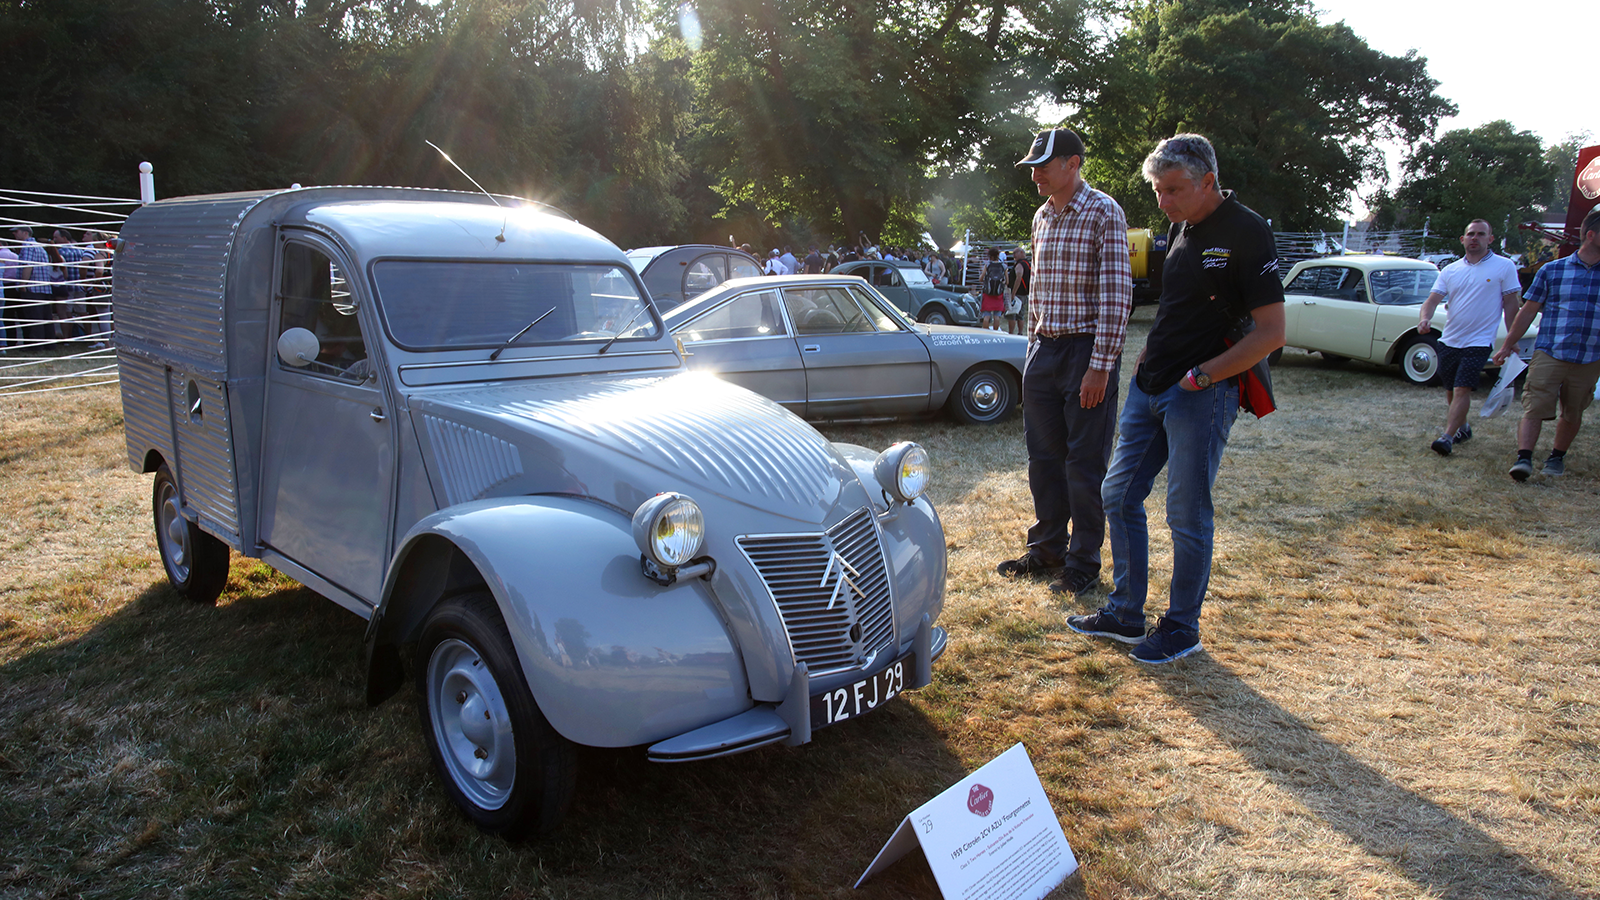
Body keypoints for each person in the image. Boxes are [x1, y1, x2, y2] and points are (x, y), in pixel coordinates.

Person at [1066, 133, 1284, 664]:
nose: (1164, 202)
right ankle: (1125, 613)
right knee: (1117, 494)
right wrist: (1146, 360)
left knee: (1186, 512)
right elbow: (1177, 304)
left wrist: (1203, 378)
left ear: (1208, 180)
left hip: (1200, 394)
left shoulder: (1248, 231)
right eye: (1158, 191)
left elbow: (1271, 333)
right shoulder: (1180, 223)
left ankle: (1182, 627)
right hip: (1152, 385)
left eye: (1173, 190)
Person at [995, 128, 1133, 596]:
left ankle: (1083, 560)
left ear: (1073, 164)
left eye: (1044, 165)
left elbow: (1118, 295)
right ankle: (1048, 548)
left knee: (1084, 462)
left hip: (1085, 351)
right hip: (1046, 350)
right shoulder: (1041, 216)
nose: (1035, 173)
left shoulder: (1104, 212)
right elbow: (1038, 291)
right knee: (1044, 460)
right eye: (1033, 165)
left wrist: (1100, 365)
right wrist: (1033, 344)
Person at [1491, 206, 1600, 481]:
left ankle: (1556, 458)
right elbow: (1528, 311)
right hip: (1550, 351)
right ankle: (1524, 459)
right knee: (1535, 406)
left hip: (1590, 356)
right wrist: (1508, 344)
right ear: (1591, 235)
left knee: (1573, 412)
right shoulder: (1552, 270)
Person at [1417, 220, 1521, 456]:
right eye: (1470, 234)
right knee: (1451, 389)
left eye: (1481, 234)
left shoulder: (1503, 267)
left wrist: (1512, 338)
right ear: (1463, 239)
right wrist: (1425, 318)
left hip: (1479, 341)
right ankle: (1462, 427)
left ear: (1490, 239)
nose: (1475, 238)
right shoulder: (1451, 269)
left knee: (1462, 388)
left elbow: (1511, 304)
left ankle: (1447, 437)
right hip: (1449, 340)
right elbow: (1432, 300)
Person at [978, 247, 1007, 330]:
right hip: (998, 294)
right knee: (997, 317)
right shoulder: (1003, 266)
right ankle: (995, 333)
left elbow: (981, 278)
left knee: (986, 316)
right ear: (998, 255)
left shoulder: (987, 265)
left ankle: (986, 334)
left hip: (988, 293)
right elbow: (1007, 281)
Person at [1006, 246, 1032, 336]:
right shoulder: (1028, 264)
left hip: (1017, 294)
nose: (1013, 255)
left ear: (1021, 253)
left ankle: (1011, 333)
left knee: (1012, 314)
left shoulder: (1020, 264)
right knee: (1021, 314)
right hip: (1024, 293)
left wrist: (1013, 293)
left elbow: (1019, 277)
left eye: (1015, 253)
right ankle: (1020, 333)